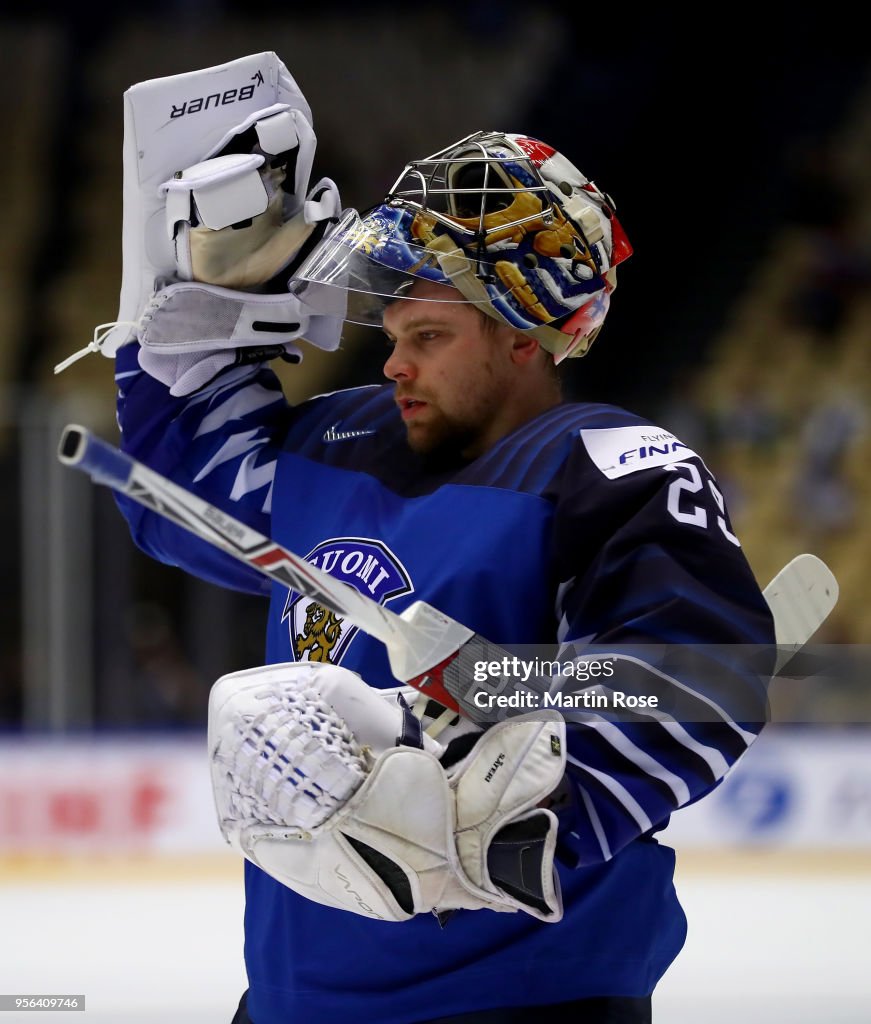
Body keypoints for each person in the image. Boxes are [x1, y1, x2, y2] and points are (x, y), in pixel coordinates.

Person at [109, 126, 775, 1023]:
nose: (394, 363)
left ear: (523, 338)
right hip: (294, 1001)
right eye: (391, 332)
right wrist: (193, 307)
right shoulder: (337, 443)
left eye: (429, 334)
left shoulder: (609, 468)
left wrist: (500, 822)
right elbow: (172, 502)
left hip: (527, 1000)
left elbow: (698, 678)